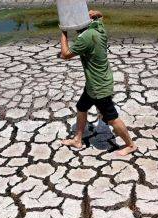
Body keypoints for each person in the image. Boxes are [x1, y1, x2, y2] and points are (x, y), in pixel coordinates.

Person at [59, 10, 137, 156]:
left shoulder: (86, 38)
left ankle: (130, 145)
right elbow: (100, 17)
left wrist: (63, 31)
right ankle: (78, 139)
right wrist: (97, 14)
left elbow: (65, 54)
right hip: (96, 83)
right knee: (81, 107)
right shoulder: (98, 28)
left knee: (112, 118)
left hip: (98, 87)